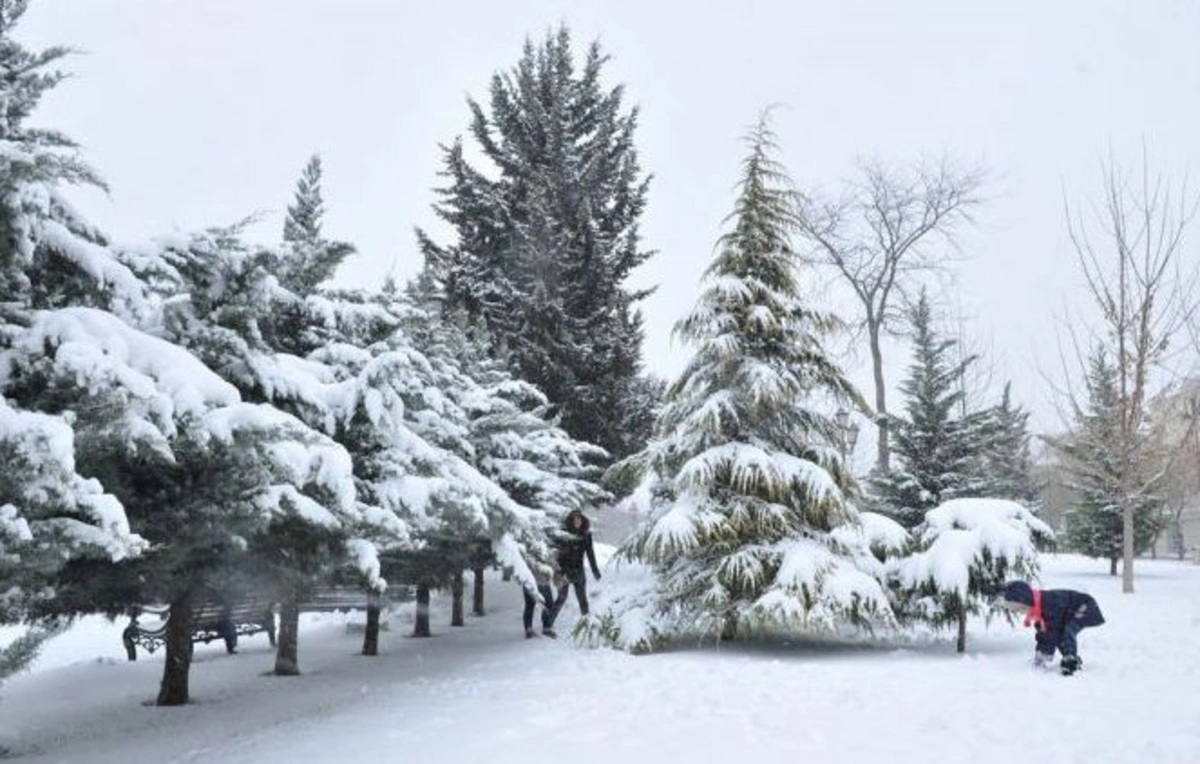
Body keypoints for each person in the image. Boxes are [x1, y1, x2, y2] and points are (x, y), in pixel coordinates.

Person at [1001, 580, 1105, 675]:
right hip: (1072, 611)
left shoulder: (1049, 603)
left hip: (1086, 606)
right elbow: (1043, 633)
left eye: (1020, 608)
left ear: (1026, 601)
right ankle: (1069, 657)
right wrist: (1040, 656)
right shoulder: (1039, 608)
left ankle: (1071, 660)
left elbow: (1051, 633)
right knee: (1060, 632)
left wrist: (1044, 656)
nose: (1020, 612)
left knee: (1067, 631)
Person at [552, 509, 602, 618]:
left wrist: (595, 570)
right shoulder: (564, 534)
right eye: (575, 520)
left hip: (579, 570)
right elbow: (556, 553)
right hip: (564, 570)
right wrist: (558, 571)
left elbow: (590, 554)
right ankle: (548, 624)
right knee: (561, 598)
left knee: (582, 598)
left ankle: (586, 623)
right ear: (571, 521)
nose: (577, 522)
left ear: (582, 520)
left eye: (579, 519)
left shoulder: (586, 535)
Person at [522, 563, 559, 639]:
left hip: (528, 580)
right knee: (548, 603)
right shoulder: (542, 552)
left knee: (530, 604)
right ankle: (546, 627)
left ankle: (528, 629)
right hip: (540, 580)